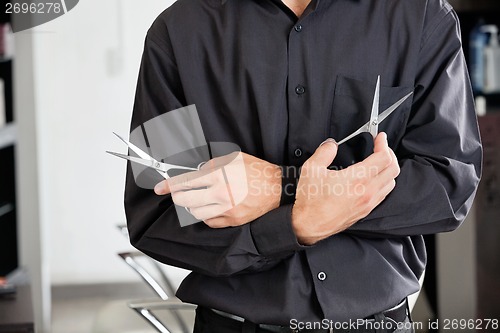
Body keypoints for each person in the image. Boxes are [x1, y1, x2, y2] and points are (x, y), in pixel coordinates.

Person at [124, 0, 482, 332]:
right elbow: (157, 217)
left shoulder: (419, 15)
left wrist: (282, 186)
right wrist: (294, 223)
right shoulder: (178, 31)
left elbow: (450, 184)